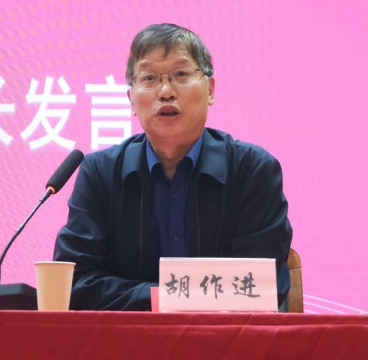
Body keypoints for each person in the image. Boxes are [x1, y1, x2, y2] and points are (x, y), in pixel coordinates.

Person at [53, 23, 292, 310]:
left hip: (225, 338)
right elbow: (75, 284)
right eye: (149, 78)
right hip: (127, 339)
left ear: (210, 90)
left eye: (181, 74)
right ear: (131, 99)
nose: (166, 92)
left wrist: (158, 298)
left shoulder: (253, 171)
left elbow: (261, 287)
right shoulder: (100, 174)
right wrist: (165, 298)